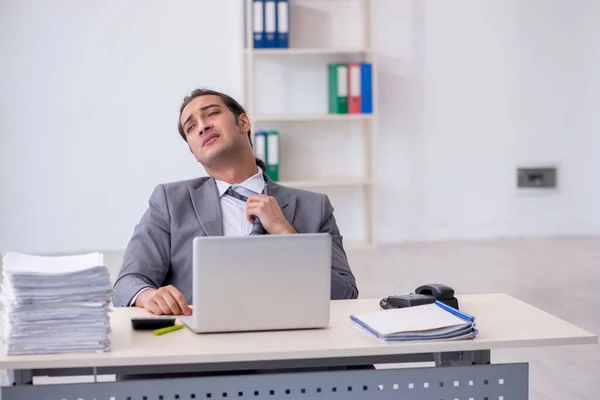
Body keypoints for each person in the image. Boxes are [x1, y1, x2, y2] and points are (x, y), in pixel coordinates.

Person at [112, 88, 359, 314]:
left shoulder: (315, 207)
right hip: (204, 352)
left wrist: (286, 233)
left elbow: (345, 294)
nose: (202, 127)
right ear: (194, 153)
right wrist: (150, 296)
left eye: (211, 114)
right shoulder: (169, 201)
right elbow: (127, 283)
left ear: (243, 122)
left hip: (289, 350)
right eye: (191, 127)